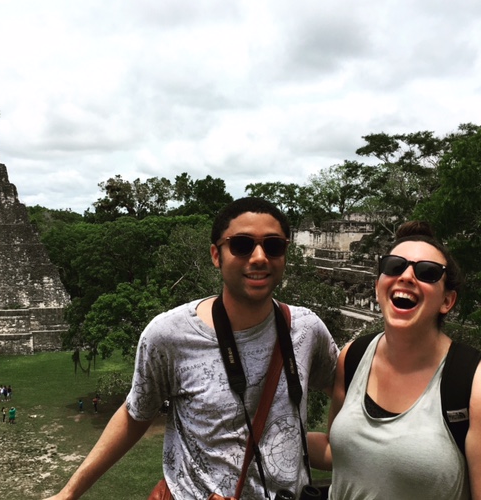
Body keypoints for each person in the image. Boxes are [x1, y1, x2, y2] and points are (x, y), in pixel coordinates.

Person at [45, 197, 338, 500]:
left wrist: (342, 445)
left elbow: (342, 388)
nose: (260, 257)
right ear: (216, 255)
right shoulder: (170, 335)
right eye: (241, 245)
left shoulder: (306, 329)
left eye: (273, 245)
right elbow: (135, 414)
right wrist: (69, 492)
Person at [311, 221, 481, 499]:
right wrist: (266, 434)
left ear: (447, 301)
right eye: (394, 266)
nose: (406, 276)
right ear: (379, 284)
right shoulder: (352, 356)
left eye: (427, 272)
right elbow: (337, 449)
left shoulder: (472, 383)